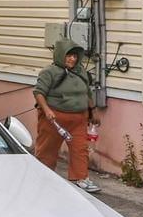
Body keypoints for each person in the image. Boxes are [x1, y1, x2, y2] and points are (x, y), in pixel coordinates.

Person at [32, 37, 99, 192]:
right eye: (69, 55)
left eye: (75, 56)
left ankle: (80, 178)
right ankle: (44, 176)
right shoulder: (49, 72)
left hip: (78, 118)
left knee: (80, 149)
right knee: (48, 149)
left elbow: (87, 93)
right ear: (60, 55)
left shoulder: (80, 71)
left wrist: (93, 111)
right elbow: (39, 92)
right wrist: (47, 110)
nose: (72, 59)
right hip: (54, 118)